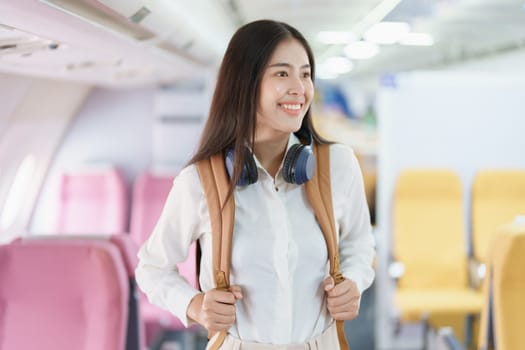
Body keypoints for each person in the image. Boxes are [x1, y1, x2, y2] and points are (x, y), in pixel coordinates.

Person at [135, 19, 375, 349]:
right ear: (245, 84)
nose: (299, 88)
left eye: (305, 74)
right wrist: (193, 305)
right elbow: (151, 267)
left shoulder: (338, 165)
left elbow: (360, 246)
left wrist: (354, 281)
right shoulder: (201, 182)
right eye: (282, 73)